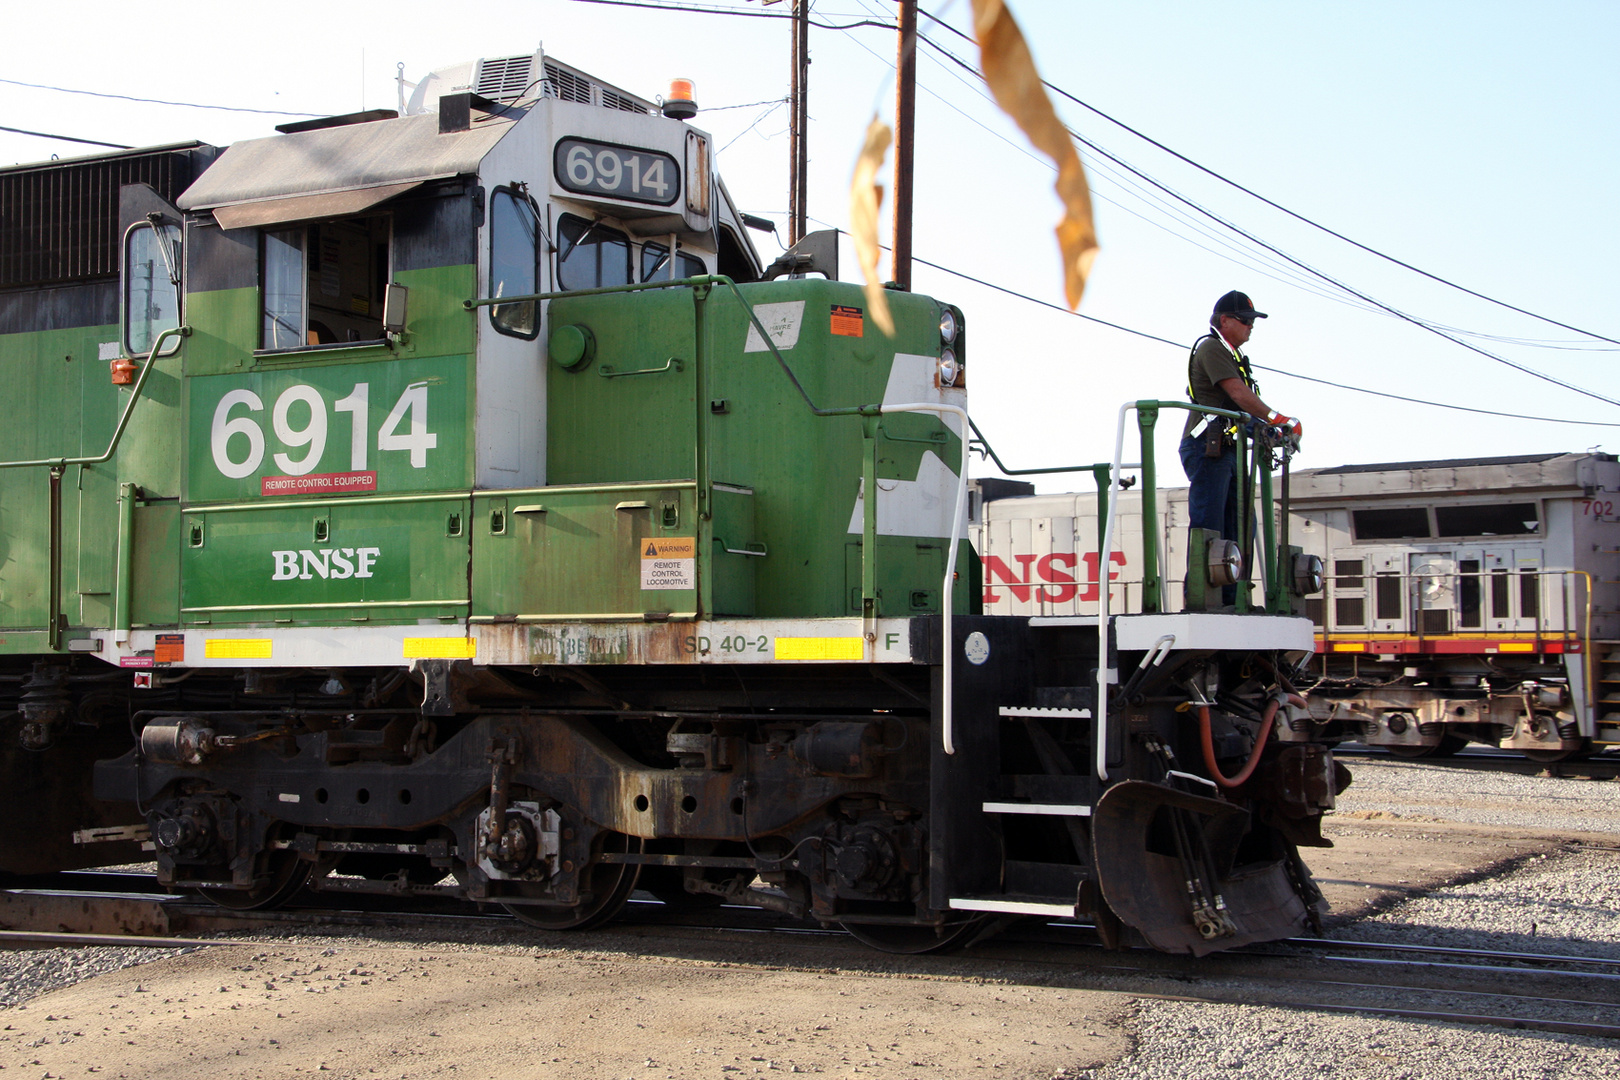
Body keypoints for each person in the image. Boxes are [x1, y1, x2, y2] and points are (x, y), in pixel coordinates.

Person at [1179, 291, 1302, 594]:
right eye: (1245, 320)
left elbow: (1240, 410)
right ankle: (1201, 595)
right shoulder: (1212, 348)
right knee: (1210, 525)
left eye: (1252, 321)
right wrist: (1279, 419)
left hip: (1227, 449)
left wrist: (1269, 430)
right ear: (1225, 320)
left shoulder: (1234, 356)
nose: (1251, 326)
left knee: (1241, 526)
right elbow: (1237, 394)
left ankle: (1234, 597)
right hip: (1208, 449)